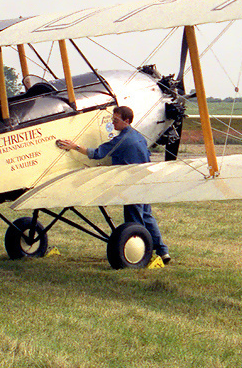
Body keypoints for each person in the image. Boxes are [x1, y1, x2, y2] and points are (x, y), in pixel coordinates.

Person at [56, 105, 171, 265]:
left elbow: (97, 154)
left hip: (131, 185)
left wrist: (74, 146)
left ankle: (139, 255)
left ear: (127, 120)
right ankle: (163, 251)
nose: (113, 123)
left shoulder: (121, 140)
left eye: (116, 120)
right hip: (144, 181)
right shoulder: (138, 136)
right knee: (147, 217)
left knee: (134, 222)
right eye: (113, 119)